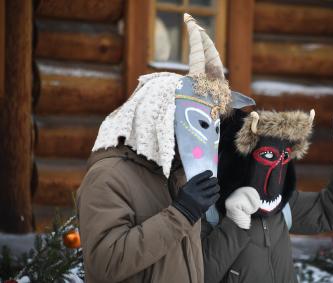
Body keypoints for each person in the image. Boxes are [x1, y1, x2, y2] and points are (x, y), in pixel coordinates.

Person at [77, 14, 253, 283]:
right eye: (197, 125)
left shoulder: (178, 177)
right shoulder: (108, 176)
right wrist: (180, 213)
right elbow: (106, 264)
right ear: (159, 118)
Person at [202, 109, 333, 283]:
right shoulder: (209, 211)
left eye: (285, 156)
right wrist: (234, 223)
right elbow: (197, 275)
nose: (276, 173)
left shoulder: (282, 206)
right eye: (267, 155)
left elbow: (329, 210)